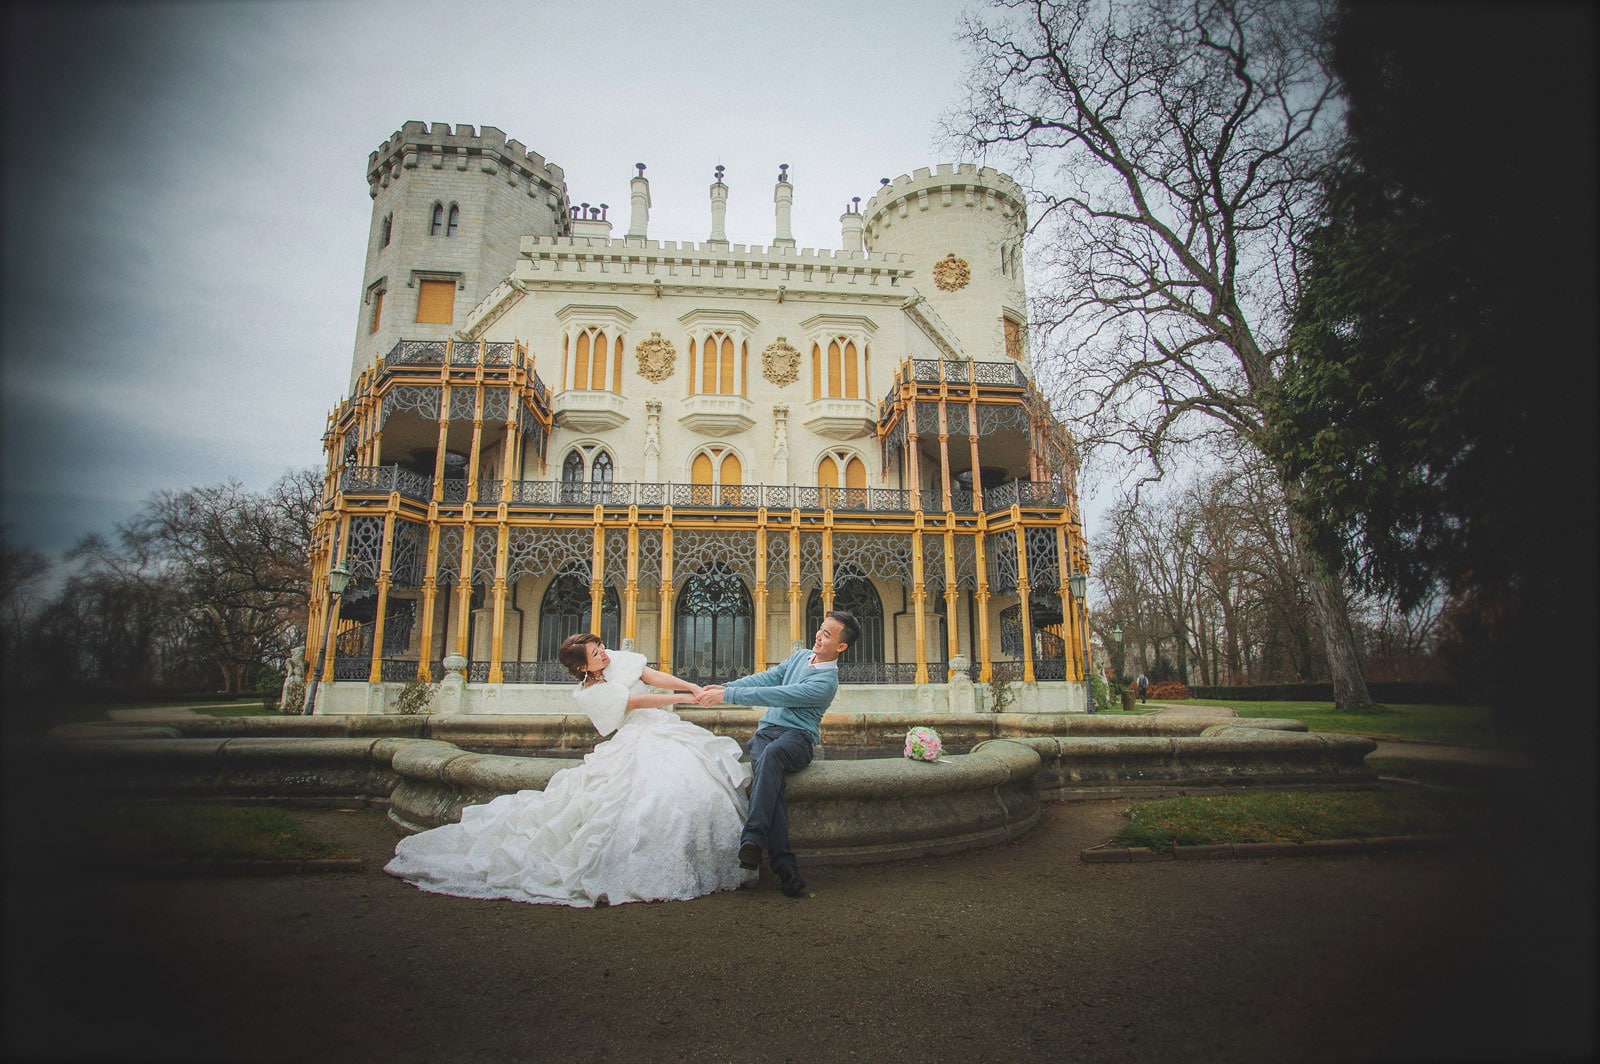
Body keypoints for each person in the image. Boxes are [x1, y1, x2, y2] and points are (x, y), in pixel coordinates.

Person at [384, 634, 752, 907]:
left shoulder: (615, 661)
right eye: (596, 653)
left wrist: (690, 685)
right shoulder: (591, 692)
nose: (604, 653)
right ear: (581, 667)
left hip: (664, 727)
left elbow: (653, 678)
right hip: (639, 734)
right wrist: (687, 699)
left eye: (601, 646)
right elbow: (638, 701)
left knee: (697, 783)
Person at [695, 610, 858, 898]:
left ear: (841, 647)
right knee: (772, 782)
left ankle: (754, 838)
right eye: (820, 630)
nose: (819, 636)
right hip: (766, 733)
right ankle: (785, 866)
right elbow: (768, 678)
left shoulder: (826, 683)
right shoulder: (799, 657)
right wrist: (727, 687)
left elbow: (777, 694)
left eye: (827, 635)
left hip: (798, 739)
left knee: (772, 757)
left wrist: (726, 698)